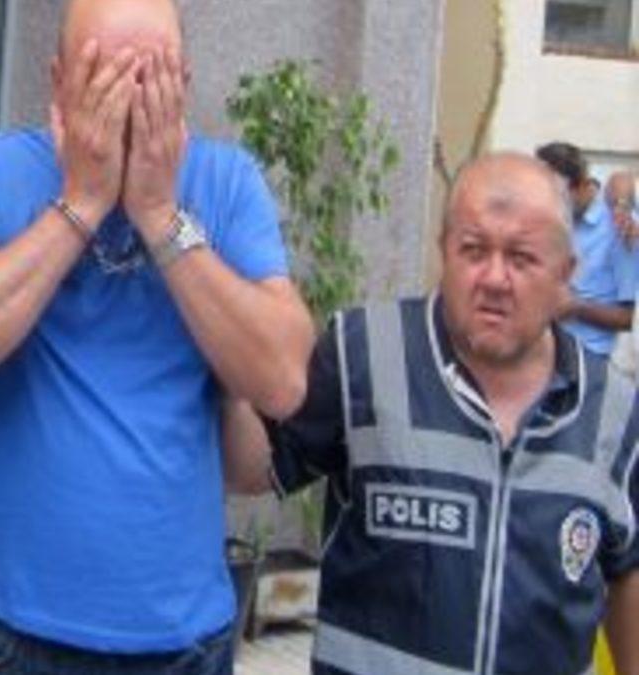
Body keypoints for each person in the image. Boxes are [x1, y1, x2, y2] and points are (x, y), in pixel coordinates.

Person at [0, 0, 314, 671]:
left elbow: (282, 377)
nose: (125, 101)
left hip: (182, 636)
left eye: (148, 78)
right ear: (57, 79)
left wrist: (160, 215)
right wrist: (82, 202)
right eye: (102, 75)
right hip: (12, 630)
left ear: (183, 83)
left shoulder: (227, 181)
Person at [226, 152, 639, 675]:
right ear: (444, 249)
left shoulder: (615, 411)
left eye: (521, 258)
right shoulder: (363, 355)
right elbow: (251, 469)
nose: (494, 278)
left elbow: (627, 567)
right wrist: (223, 351)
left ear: (565, 274)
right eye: (473, 250)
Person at [536, 142, 636, 357]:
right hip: (547, 348)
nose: (550, 205)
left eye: (558, 197)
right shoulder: (555, 220)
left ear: (582, 186)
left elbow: (631, 318)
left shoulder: (621, 227)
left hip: (592, 356)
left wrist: (575, 307)